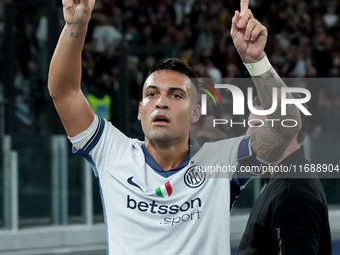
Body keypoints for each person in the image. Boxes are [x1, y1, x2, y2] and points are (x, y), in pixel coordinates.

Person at [48, 0, 302, 254]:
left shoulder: (220, 162)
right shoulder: (113, 153)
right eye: (151, 94)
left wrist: (255, 60)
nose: (161, 103)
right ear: (140, 110)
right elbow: (64, 92)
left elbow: (286, 126)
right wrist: (75, 25)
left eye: (176, 95)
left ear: (195, 113)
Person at [237, 96, 332, 255]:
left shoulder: (293, 194)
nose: (248, 135)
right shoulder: (284, 181)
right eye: (250, 125)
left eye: (259, 126)